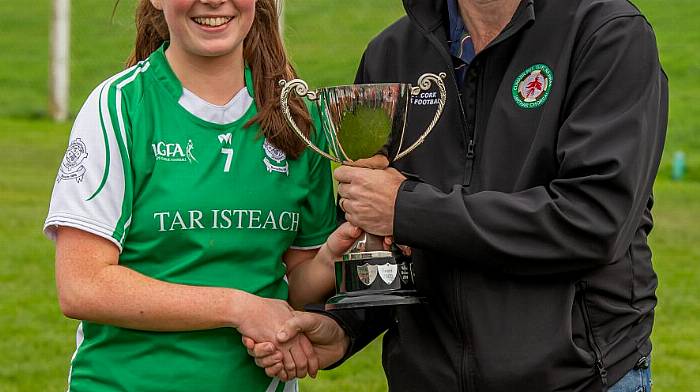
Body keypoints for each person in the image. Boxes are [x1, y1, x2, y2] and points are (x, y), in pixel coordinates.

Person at [245, 0, 667, 391]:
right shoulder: (393, 52)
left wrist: (407, 207)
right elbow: (382, 241)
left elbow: (594, 221)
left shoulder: (607, 34)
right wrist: (344, 329)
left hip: (578, 380)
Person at [43, 0, 359, 390]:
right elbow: (82, 286)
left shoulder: (296, 118)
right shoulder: (119, 107)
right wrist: (236, 307)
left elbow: (294, 285)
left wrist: (330, 259)